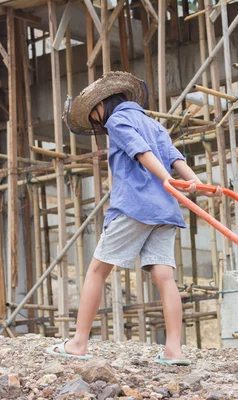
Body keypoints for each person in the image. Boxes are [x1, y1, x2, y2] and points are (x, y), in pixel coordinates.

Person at [45, 71, 221, 365]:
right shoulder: (154, 124)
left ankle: (78, 343)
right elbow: (174, 156)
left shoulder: (117, 121)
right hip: (165, 210)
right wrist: (197, 185)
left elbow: (142, 154)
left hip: (135, 206)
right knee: (165, 278)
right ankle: (173, 350)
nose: (96, 123)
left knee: (97, 271)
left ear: (102, 104)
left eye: (93, 115)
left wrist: (167, 180)